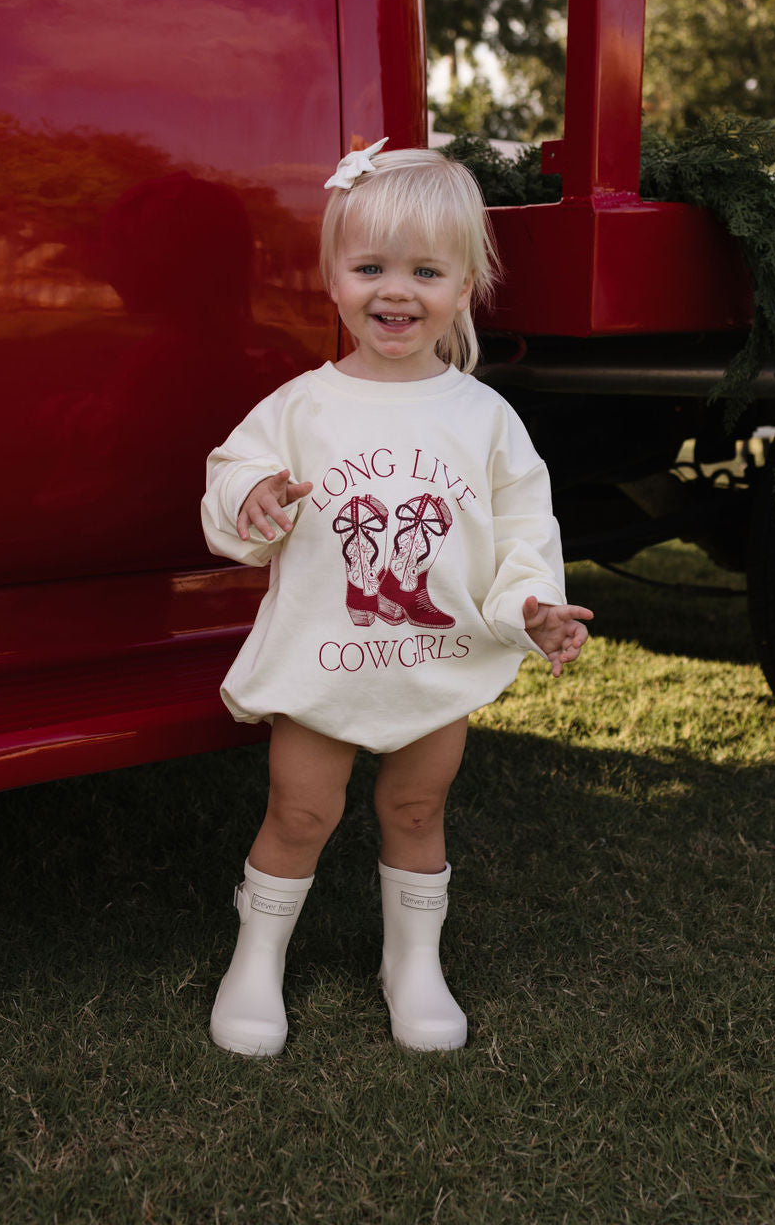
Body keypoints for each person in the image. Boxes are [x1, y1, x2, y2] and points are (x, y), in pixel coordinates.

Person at [201, 140, 592, 1056]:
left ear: (464, 287)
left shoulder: (483, 418)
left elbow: (521, 529)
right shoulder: (302, 405)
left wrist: (532, 605)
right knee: (301, 810)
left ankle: (412, 963)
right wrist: (251, 500)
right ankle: (256, 954)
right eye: (370, 266)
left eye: (425, 270)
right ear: (334, 277)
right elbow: (235, 478)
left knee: (418, 809)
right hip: (325, 655)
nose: (396, 291)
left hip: (435, 658)